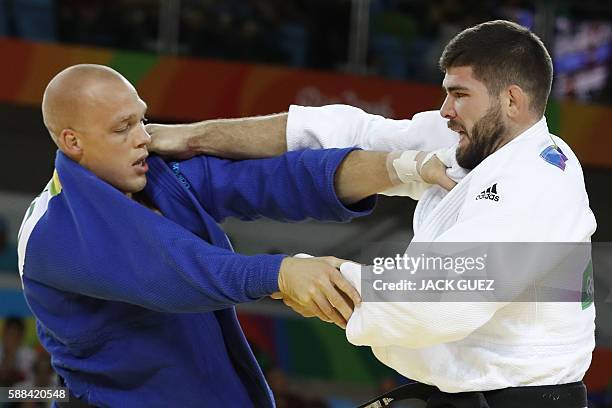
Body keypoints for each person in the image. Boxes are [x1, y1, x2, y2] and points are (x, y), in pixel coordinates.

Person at [147, 20, 596, 408]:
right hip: (460, 391)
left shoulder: (537, 182)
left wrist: (317, 274)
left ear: (512, 101)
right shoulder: (475, 145)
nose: (445, 111)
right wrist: (191, 137)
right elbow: (348, 131)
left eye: (459, 95)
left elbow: (438, 301)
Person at [16, 64, 453, 407]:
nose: (144, 138)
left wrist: (398, 168)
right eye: (122, 129)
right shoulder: (52, 235)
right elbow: (180, 271)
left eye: (142, 121)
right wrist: (281, 272)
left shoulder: (152, 172)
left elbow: (270, 180)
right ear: (72, 142)